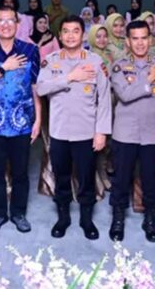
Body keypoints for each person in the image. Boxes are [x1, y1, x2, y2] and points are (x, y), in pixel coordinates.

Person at [37, 15, 112, 240]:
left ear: (83, 35)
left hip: (86, 133)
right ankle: (63, 218)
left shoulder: (95, 62)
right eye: (66, 31)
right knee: (61, 177)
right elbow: (41, 89)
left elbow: (104, 99)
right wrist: (70, 77)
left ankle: (86, 219)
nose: (70, 36)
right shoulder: (51, 61)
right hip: (59, 132)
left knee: (87, 178)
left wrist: (101, 132)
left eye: (75, 31)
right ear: (60, 36)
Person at [0, 5, 42, 234]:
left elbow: (35, 87)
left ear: (18, 24)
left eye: (10, 20)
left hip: (21, 122)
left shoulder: (30, 50)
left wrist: (38, 120)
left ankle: (19, 213)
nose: (5, 25)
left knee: (21, 172)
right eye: (1, 20)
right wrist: (3, 68)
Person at [108, 20, 155, 243]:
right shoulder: (119, 66)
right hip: (124, 133)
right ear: (127, 42)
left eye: (144, 38)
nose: (140, 43)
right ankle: (118, 218)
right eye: (135, 38)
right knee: (121, 179)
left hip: (152, 133)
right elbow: (125, 94)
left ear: (150, 40)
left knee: (151, 180)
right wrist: (149, 79)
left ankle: (150, 219)